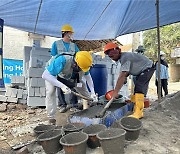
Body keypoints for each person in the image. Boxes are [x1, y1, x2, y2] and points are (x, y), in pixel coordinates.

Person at [42, 51, 98, 125]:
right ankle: (51, 118)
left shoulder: (84, 64)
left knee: (82, 87)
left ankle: (92, 106)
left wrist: (93, 93)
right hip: (53, 75)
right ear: (75, 64)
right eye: (80, 68)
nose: (82, 70)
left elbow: (88, 78)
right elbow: (45, 75)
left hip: (69, 76)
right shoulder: (62, 60)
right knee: (51, 91)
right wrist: (62, 86)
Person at [104, 42, 155, 119]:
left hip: (147, 68)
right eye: (111, 57)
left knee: (139, 88)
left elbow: (122, 75)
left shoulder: (125, 57)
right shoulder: (122, 58)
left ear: (118, 51)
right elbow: (127, 71)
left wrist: (115, 92)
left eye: (113, 55)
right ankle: (134, 107)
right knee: (137, 89)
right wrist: (125, 77)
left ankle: (139, 112)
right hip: (141, 70)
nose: (113, 58)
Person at [50, 24, 80, 113]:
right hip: (60, 68)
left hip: (71, 69)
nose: (72, 35)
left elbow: (79, 56)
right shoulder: (56, 44)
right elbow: (53, 56)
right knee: (60, 86)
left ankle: (73, 104)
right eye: (71, 33)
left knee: (74, 86)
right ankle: (62, 105)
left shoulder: (74, 45)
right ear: (66, 33)